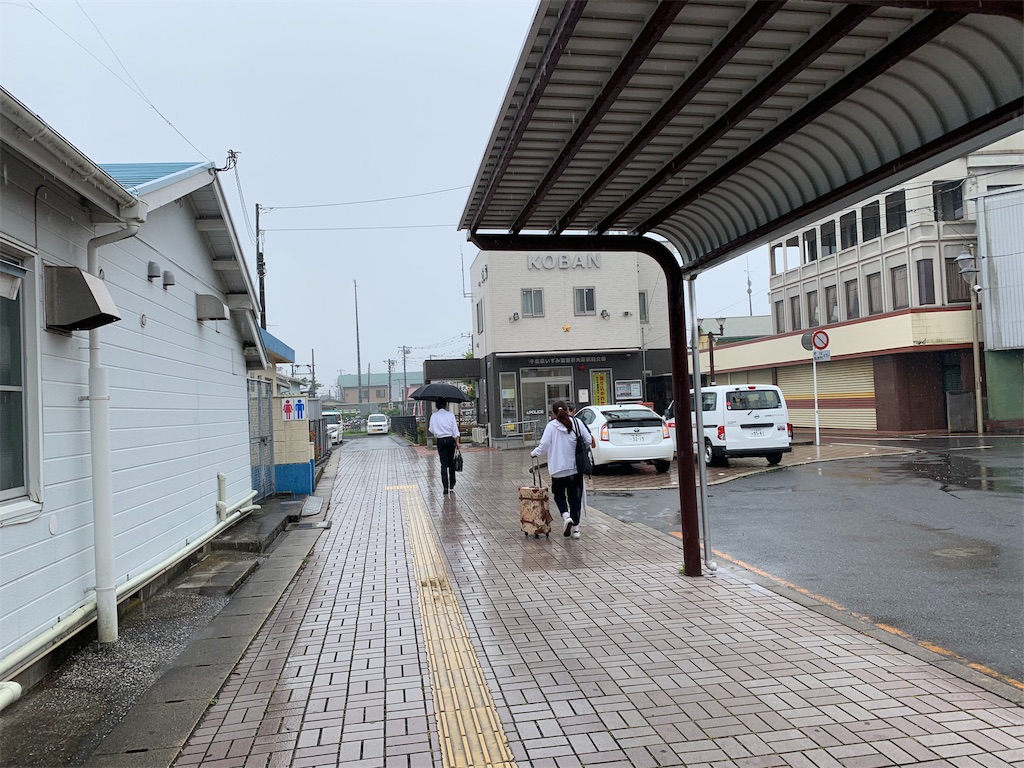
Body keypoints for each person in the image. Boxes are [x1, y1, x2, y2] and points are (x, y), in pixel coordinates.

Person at [531, 400, 592, 540]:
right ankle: (576, 530)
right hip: (575, 469)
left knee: (559, 495)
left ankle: (566, 516)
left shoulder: (551, 426)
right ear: (568, 410)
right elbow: (588, 440)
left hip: (558, 470)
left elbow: (544, 445)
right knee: (575, 498)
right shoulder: (577, 423)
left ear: (553, 413)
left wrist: (534, 453)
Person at [428, 398, 460, 495]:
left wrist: (438, 432)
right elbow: (455, 430)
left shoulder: (434, 416)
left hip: (440, 440)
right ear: (446, 404)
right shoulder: (450, 415)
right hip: (450, 440)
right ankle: (452, 483)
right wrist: (457, 442)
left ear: (437, 405)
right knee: (451, 462)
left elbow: (431, 429)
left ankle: (445, 487)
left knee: (443, 464)